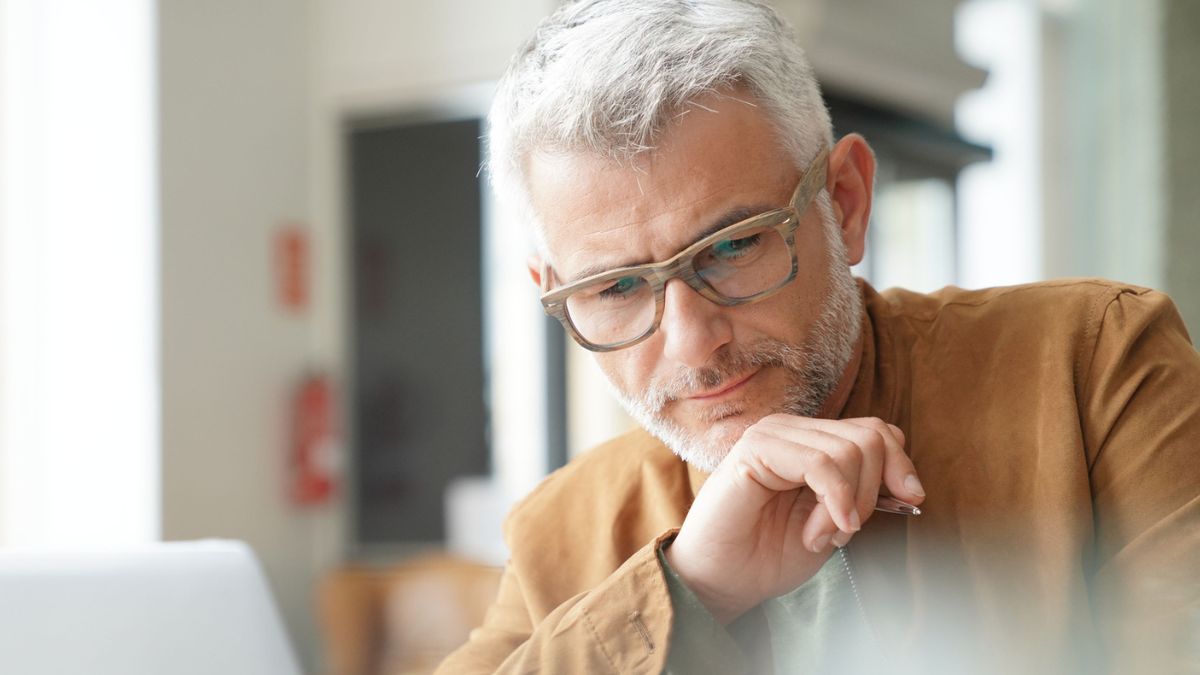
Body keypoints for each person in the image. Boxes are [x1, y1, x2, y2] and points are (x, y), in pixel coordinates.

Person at [436, 1, 1200, 673]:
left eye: (733, 246)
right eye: (616, 286)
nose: (692, 342)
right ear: (556, 297)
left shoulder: (1094, 366)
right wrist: (690, 587)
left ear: (847, 201)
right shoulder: (560, 532)